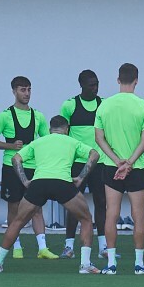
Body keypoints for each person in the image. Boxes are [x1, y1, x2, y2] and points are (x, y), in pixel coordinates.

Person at [0, 116, 102, 274]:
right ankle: (85, 265)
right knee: (85, 219)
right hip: (62, 183)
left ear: (50, 130)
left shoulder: (39, 142)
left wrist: (25, 181)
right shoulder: (72, 141)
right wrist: (81, 177)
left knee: (17, 221)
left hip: (39, 183)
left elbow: (15, 159)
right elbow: (95, 154)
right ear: (67, 129)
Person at [94, 62, 144, 275]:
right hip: (136, 167)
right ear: (136, 80)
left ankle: (111, 264)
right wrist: (129, 162)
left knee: (111, 214)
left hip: (112, 167)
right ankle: (139, 264)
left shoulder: (104, 105)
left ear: (118, 80)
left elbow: (99, 138)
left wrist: (118, 161)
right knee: (139, 215)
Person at [0, 76, 54, 259]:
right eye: (23, 90)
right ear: (14, 91)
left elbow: (47, 140)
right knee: (14, 207)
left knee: (36, 207)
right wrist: (10, 146)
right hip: (11, 167)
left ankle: (42, 248)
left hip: (33, 168)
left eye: (29, 89)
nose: (26, 93)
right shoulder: (4, 116)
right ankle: (16, 246)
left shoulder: (38, 116)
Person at [60, 70, 106, 259]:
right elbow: (62, 135)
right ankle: (69, 246)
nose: (94, 88)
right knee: (73, 205)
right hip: (77, 164)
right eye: (90, 85)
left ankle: (103, 246)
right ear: (81, 85)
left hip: (100, 163)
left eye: (96, 84)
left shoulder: (104, 105)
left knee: (101, 204)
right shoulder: (69, 105)